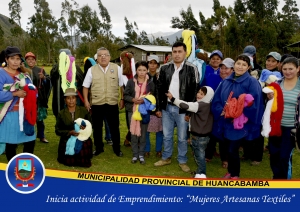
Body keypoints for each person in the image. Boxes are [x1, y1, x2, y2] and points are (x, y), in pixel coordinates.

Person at [211, 54, 264, 179]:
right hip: (226, 121)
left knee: (232, 149)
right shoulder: (226, 80)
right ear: (234, 65)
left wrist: (237, 111)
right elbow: (217, 99)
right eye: (238, 63)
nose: (240, 67)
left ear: (248, 67)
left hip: (240, 123)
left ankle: (235, 175)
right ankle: (231, 171)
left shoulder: (252, 82)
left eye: (244, 65)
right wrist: (220, 111)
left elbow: (255, 102)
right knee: (228, 148)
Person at [154, 41, 199, 173]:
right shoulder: (164, 68)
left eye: (180, 51)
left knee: (182, 137)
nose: (177, 54)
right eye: (175, 51)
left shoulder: (192, 69)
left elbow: (195, 91)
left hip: (183, 109)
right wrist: (158, 108)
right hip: (167, 108)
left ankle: (182, 160)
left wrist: (189, 112)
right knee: (167, 135)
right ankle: (166, 157)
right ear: (171, 53)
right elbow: (158, 89)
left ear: (185, 53)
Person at [83, 47, 124, 157]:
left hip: (112, 103)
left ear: (109, 57)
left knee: (114, 127)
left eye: (105, 55)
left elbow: (121, 85)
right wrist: (86, 101)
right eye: (100, 55)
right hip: (97, 103)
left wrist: (122, 99)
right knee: (97, 127)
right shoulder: (92, 70)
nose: (103, 57)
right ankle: (99, 148)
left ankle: (117, 149)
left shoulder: (117, 68)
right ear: (97, 58)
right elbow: (85, 87)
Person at [167, 86, 214, 178]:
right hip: (205, 135)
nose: (199, 95)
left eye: (202, 94)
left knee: (199, 156)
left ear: (207, 96)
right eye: (199, 92)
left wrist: (172, 99)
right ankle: (199, 171)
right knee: (200, 154)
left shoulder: (200, 105)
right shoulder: (208, 104)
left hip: (199, 136)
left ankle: (202, 174)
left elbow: (186, 105)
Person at [0, 46, 36, 161]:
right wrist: (15, 94)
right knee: (11, 144)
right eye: (12, 58)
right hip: (9, 115)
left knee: (30, 141)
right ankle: (14, 170)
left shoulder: (24, 74)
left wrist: (30, 93)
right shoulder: (1, 73)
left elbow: (33, 92)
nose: (15, 61)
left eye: (18, 59)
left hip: (25, 114)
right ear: (6, 59)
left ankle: (24, 169)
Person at [269, 57, 300, 179]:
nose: (287, 71)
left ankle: (285, 183)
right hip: (276, 126)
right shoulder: (277, 83)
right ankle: (276, 178)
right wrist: (269, 97)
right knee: (274, 154)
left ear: (298, 69)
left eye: (291, 69)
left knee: (284, 156)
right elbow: (271, 104)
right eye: (285, 69)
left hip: (292, 128)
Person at [124, 61, 155, 164]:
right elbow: (125, 95)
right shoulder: (130, 82)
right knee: (133, 133)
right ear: (136, 70)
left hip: (145, 111)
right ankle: (135, 155)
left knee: (143, 133)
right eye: (139, 70)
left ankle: (141, 154)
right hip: (132, 111)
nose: (142, 72)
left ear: (147, 70)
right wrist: (133, 99)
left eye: (144, 70)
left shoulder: (150, 83)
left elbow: (153, 97)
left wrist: (145, 100)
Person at [206, 58, 234, 168]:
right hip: (214, 112)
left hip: (227, 115)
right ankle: (208, 155)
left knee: (224, 137)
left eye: (226, 68)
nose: (223, 70)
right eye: (221, 68)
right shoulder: (216, 79)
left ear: (232, 70)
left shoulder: (234, 83)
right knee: (212, 134)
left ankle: (225, 159)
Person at [55, 88, 93, 167]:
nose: (71, 100)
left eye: (73, 98)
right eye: (68, 98)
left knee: (82, 154)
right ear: (65, 100)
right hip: (67, 139)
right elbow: (57, 130)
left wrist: (84, 128)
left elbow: (90, 125)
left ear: (76, 99)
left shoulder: (83, 111)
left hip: (82, 138)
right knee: (69, 160)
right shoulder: (61, 113)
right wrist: (69, 132)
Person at [25, 52, 51, 143]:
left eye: (32, 59)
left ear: (35, 61)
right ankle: (27, 136)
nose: (31, 61)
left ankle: (41, 136)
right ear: (25, 61)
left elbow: (48, 83)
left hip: (39, 99)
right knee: (26, 117)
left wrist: (43, 78)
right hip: (26, 99)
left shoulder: (40, 70)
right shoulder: (22, 70)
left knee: (39, 119)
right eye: (28, 59)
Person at [50, 49, 85, 117]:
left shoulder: (75, 67)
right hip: (61, 97)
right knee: (63, 116)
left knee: (76, 116)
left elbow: (82, 81)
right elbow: (53, 78)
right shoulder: (57, 68)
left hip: (74, 97)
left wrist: (77, 82)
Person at [145, 55, 163, 158]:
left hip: (158, 106)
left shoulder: (161, 76)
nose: (152, 65)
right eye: (150, 63)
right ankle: (146, 149)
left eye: (154, 63)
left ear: (157, 65)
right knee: (146, 129)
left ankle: (158, 150)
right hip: (146, 107)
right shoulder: (144, 76)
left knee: (159, 130)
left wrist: (159, 107)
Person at [120, 51, 135, 147]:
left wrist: (122, 99)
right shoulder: (134, 68)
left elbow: (121, 87)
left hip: (128, 99)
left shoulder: (122, 70)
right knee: (134, 122)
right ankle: (130, 139)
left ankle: (128, 139)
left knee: (131, 122)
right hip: (135, 98)